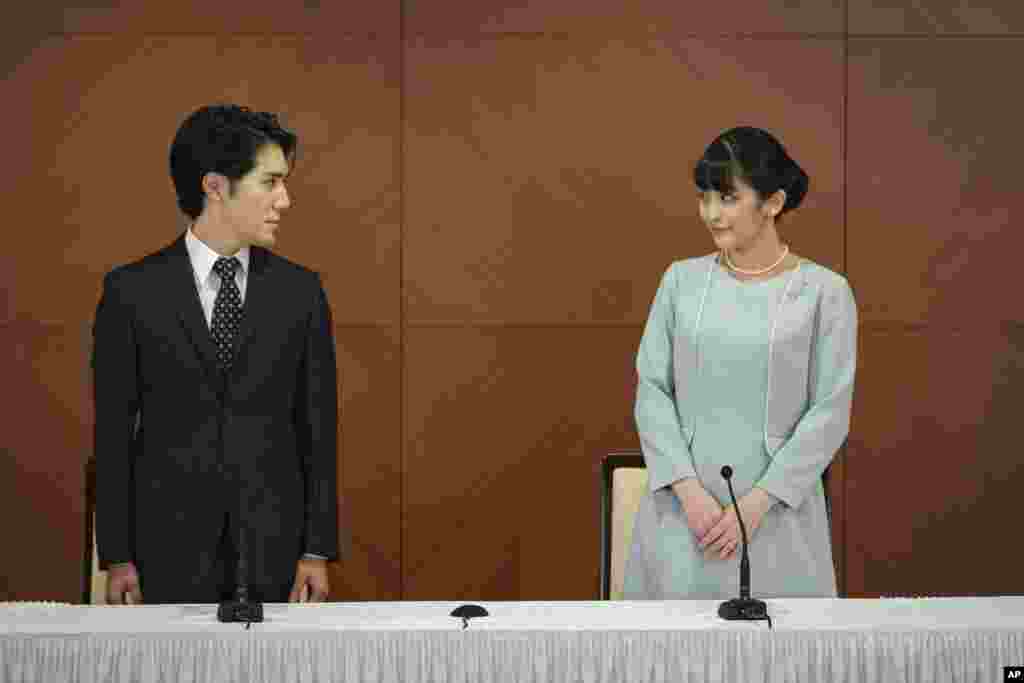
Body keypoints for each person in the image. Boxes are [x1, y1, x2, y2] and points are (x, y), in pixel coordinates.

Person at [92, 104, 340, 604]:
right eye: (269, 181)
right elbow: (114, 433)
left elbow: (317, 427)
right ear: (215, 186)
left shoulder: (301, 292)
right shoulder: (131, 292)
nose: (284, 200)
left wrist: (316, 550)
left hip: (275, 550)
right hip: (164, 551)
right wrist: (117, 557)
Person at [624, 126, 857, 599]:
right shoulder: (679, 282)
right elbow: (651, 389)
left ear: (772, 202)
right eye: (704, 197)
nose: (711, 213)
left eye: (728, 197)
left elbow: (830, 411)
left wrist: (754, 506)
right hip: (683, 517)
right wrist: (689, 494)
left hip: (778, 517)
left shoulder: (825, 293)